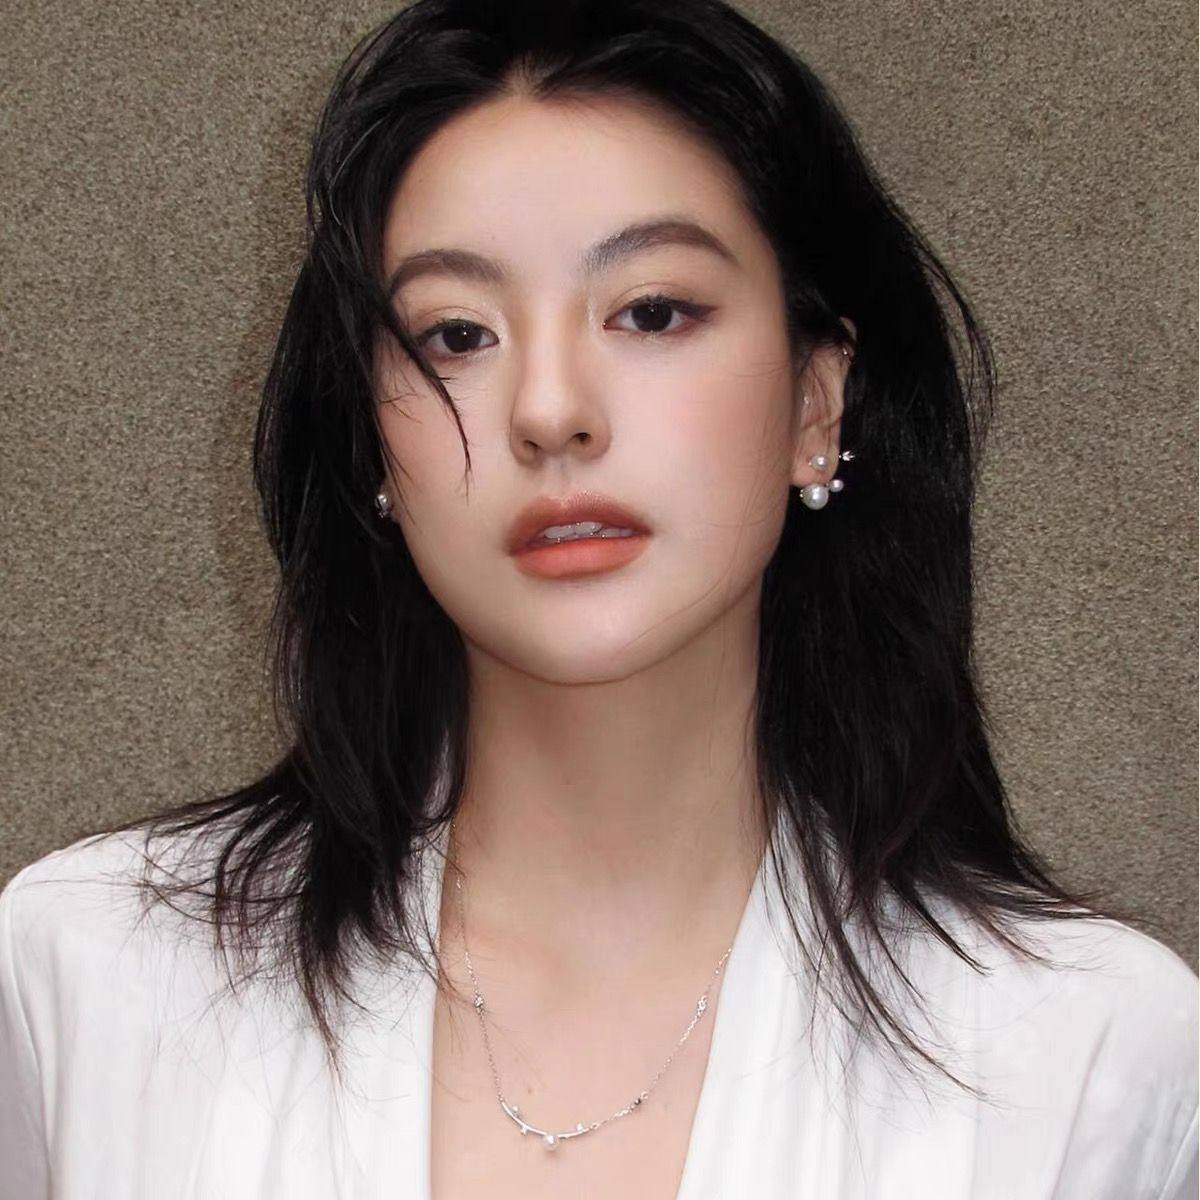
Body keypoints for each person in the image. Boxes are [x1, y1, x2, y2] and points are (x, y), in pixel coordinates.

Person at [1, 0, 1195, 1196]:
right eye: (455, 335)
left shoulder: (1089, 1062)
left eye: (652, 312)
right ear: (373, 440)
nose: (551, 410)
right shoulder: (90, 984)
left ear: (815, 404)